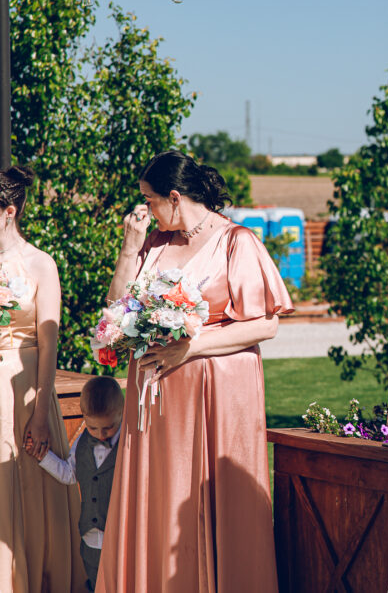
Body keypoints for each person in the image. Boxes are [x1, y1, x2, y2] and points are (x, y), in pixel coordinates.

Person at [96, 150, 293, 593]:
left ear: (175, 196)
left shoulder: (237, 241)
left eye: (149, 200)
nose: (144, 210)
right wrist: (130, 249)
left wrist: (190, 348)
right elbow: (115, 310)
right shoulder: (155, 243)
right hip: (156, 402)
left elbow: (268, 323)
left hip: (216, 394)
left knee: (212, 500)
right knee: (161, 498)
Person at [0, 164, 88, 593]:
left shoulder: (41, 264)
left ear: (9, 212)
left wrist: (39, 411)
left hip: (26, 385)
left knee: (30, 478)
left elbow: (49, 343)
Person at [37, 376, 124, 592]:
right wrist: (43, 458)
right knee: (95, 584)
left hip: (121, 536)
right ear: (84, 417)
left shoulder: (130, 443)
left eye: (108, 428)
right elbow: (69, 474)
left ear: (122, 413)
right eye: (93, 428)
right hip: (90, 539)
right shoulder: (83, 442)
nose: (101, 435)